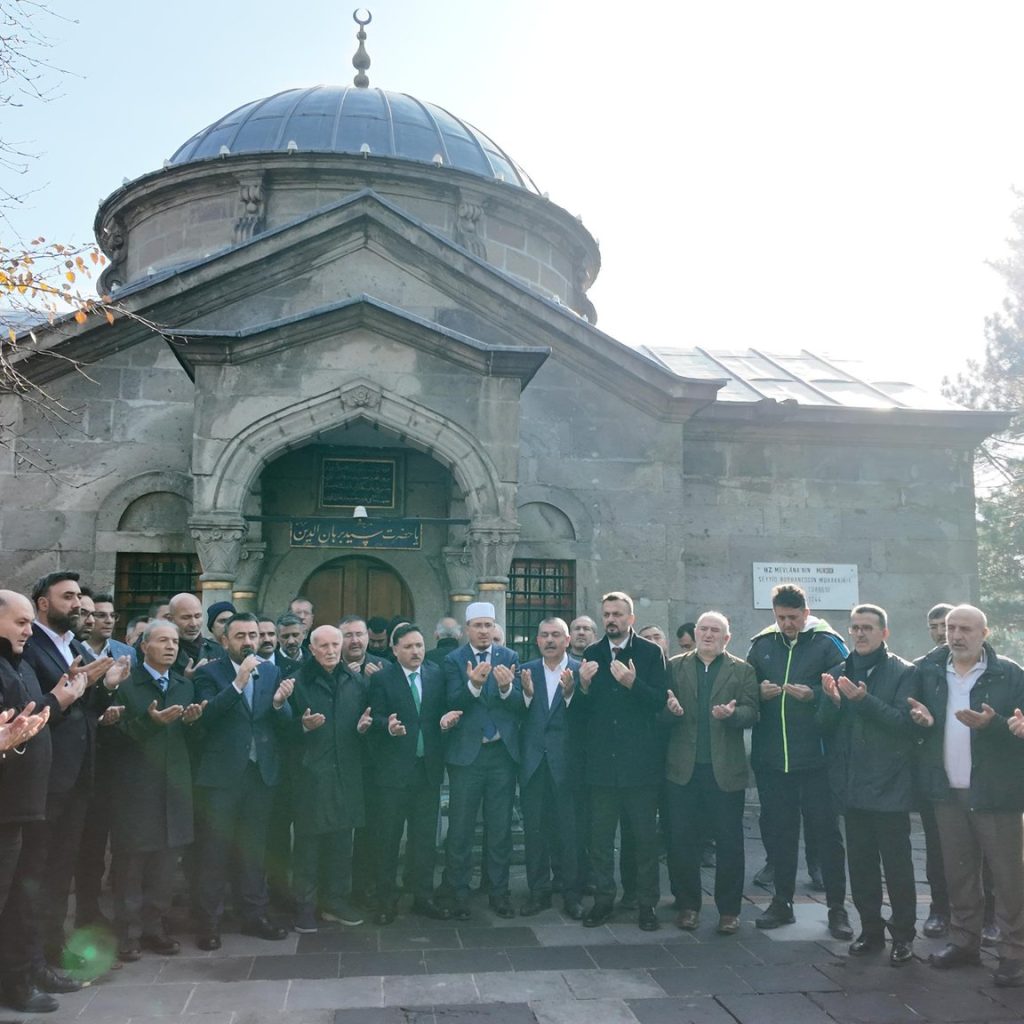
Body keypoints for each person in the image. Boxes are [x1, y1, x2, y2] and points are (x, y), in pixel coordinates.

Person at [910, 604, 1024, 987]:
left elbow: (1020, 726)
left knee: (1009, 878)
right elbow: (912, 715)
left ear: (984, 633)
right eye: (951, 628)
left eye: (965, 629)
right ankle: (964, 942)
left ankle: (1013, 952)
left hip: (995, 792)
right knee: (958, 872)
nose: (956, 635)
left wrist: (1000, 726)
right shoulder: (928, 670)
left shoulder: (1009, 673)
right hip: (947, 790)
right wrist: (922, 721)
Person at [21, 572, 125, 989]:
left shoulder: (75, 646)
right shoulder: (32, 648)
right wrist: (75, 692)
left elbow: (87, 705)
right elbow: (38, 708)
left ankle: (51, 947)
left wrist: (106, 686)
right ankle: (30, 958)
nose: (78, 605)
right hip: (47, 779)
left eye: (80, 597)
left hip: (79, 775)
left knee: (61, 871)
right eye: (68, 597)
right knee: (39, 872)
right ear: (43, 604)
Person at [746, 583, 853, 940]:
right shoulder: (762, 645)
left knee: (826, 836)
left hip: (817, 760)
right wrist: (757, 693)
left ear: (806, 614)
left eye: (793, 617)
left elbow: (846, 686)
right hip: (773, 759)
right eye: (780, 618)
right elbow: (744, 688)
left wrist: (816, 693)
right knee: (780, 834)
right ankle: (782, 901)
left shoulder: (828, 644)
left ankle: (837, 908)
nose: (787, 624)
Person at [819, 604, 917, 965]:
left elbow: (905, 723)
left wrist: (863, 701)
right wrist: (830, 703)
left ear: (884, 633)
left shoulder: (905, 672)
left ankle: (904, 935)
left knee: (898, 866)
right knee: (860, 866)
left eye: (867, 628)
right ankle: (870, 931)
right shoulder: (837, 671)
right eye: (855, 627)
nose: (859, 634)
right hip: (851, 785)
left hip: (889, 785)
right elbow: (823, 727)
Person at [192, 613, 293, 950]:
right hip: (222, 777)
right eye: (241, 636)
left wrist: (280, 705)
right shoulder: (209, 673)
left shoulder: (272, 671)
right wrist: (238, 683)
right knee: (214, 851)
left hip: (259, 773)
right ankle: (208, 922)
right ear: (225, 641)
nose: (249, 641)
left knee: (253, 849)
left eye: (253, 634)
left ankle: (254, 915)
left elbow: (279, 722)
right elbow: (206, 716)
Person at [110, 621, 205, 962]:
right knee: (132, 866)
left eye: (175, 641)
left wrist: (194, 723)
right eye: (163, 640)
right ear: (144, 645)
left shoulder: (183, 686)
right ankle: (128, 934)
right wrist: (151, 722)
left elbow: (190, 744)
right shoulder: (127, 684)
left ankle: (155, 928)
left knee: (165, 867)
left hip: (174, 788)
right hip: (136, 788)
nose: (171, 647)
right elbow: (111, 738)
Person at [577, 592, 669, 932]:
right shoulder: (592, 652)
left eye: (617, 614)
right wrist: (583, 687)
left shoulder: (649, 652)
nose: (611, 619)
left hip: (639, 766)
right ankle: (603, 900)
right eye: (607, 614)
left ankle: (646, 904)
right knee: (600, 840)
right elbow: (585, 715)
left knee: (643, 840)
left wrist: (633, 683)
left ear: (631, 619)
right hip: (602, 766)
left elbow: (659, 701)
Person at [665, 611, 758, 935]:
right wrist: (670, 710)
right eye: (703, 629)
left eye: (715, 630)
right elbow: (661, 707)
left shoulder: (742, 670)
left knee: (730, 843)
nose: (707, 634)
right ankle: (688, 905)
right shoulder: (675, 666)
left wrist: (734, 714)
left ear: (726, 638)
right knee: (682, 840)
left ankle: (729, 911)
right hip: (683, 769)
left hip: (725, 770)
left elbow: (752, 711)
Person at [288, 625, 372, 933]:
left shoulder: (355, 681)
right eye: (323, 646)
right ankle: (304, 908)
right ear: (312, 649)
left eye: (335, 644)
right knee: (308, 848)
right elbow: (281, 729)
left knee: (340, 845)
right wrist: (302, 726)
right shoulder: (297, 682)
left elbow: (362, 723)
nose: (331, 650)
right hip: (311, 775)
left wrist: (364, 728)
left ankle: (335, 903)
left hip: (346, 774)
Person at [442, 601, 522, 920]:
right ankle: (458, 892)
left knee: (500, 827)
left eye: (489, 626)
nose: (485, 631)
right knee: (461, 827)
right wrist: (473, 683)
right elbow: (451, 700)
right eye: (478, 626)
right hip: (467, 757)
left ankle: (498, 891)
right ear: (467, 630)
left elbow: (519, 706)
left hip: (501, 755)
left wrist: (506, 689)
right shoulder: (453, 660)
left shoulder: (510, 657)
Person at [367, 624, 450, 923]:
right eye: (409, 646)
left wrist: (447, 720)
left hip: (427, 770)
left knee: (424, 839)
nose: (416, 651)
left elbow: (442, 711)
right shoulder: (381, 679)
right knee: (388, 839)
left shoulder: (435, 674)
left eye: (419, 645)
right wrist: (385, 726)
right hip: (393, 774)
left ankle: (422, 896)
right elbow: (372, 716)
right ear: (395, 649)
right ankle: (385, 900)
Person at [0, 591, 56, 1014]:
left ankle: (19, 979)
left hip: (21, 809)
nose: (29, 629)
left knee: (19, 902)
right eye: (21, 621)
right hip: (7, 810)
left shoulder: (15, 663)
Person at [518, 617, 584, 919]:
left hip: (567, 764)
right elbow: (514, 715)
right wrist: (525, 695)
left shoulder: (583, 670)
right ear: (537, 640)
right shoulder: (525, 671)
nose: (550, 640)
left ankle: (572, 894)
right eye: (544, 635)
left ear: (567, 640)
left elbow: (590, 716)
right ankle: (538, 892)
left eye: (556, 635)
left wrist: (571, 693)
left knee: (569, 832)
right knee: (535, 832)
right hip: (533, 764)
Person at [919, 601, 954, 940]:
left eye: (949, 624)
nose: (943, 632)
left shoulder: (997, 669)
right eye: (935, 626)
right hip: (935, 775)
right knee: (936, 847)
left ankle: (988, 914)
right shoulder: (920, 669)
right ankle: (939, 909)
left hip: (979, 776)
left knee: (984, 849)